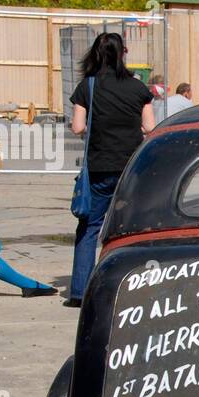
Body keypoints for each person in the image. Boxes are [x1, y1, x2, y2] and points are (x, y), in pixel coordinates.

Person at [67, 32, 155, 307]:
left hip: (99, 167)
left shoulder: (88, 86)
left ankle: (80, 291)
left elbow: (78, 127)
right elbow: (151, 128)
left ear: (95, 54)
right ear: (123, 54)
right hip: (131, 167)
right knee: (132, 226)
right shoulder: (138, 89)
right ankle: (132, 285)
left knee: (90, 227)